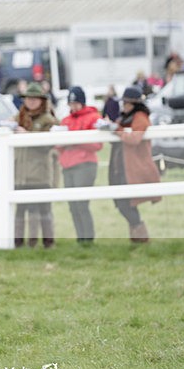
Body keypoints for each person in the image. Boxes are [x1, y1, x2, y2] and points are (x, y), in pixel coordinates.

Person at [107, 86, 161, 242]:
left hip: (132, 168)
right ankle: (137, 237)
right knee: (123, 203)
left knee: (125, 204)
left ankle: (140, 236)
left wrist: (115, 129)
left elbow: (134, 139)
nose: (123, 106)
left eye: (125, 103)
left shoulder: (140, 117)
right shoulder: (125, 118)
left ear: (133, 104)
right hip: (122, 167)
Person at [13, 82, 59, 248]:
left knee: (44, 210)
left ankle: (49, 242)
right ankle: (18, 243)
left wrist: (27, 135)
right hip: (20, 173)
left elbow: (48, 145)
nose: (31, 102)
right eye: (28, 98)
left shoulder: (48, 120)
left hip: (40, 173)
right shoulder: (18, 118)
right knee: (20, 210)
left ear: (41, 100)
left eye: (34, 99)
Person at [56, 86, 102, 245]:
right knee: (73, 205)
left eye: (76, 103)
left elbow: (97, 144)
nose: (73, 106)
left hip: (85, 165)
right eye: (71, 103)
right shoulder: (65, 121)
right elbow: (58, 146)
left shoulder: (93, 117)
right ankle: (80, 237)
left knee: (82, 204)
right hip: (68, 166)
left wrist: (74, 140)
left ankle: (88, 237)